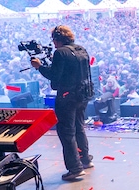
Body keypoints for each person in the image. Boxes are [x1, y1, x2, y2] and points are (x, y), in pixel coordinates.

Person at [32, 25, 94, 180]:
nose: (53, 43)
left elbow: (54, 76)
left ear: (58, 39)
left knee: (66, 132)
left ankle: (75, 168)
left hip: (67, 97)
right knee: (79, 127)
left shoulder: (60, 53)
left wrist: (39, 67)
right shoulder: (81, 49)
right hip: (83, 95)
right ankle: (85, 159)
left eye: (54, 40)